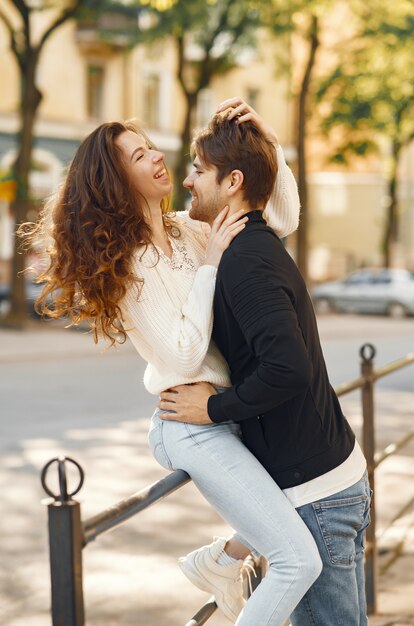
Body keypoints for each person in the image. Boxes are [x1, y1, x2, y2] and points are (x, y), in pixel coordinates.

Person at [24, 101, 322, 626]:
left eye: (150, 146)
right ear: (118, 181)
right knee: (296, 559)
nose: (159, 157)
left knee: (292, 514)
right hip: (190, 423)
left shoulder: (188, 228)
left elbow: (281, 217)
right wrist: (209, 268)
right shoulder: (131, 263)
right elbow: (183, 354)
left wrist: (268, 139)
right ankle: (221, 563)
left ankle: (221, 561)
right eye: (140, 155)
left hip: (228, 410)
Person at [159, 98, 372, 626]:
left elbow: (288, 368)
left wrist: (214, 408)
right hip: (327, 481)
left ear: (232, 182)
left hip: (316, 495)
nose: (188, 182)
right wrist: (270, 145)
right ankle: (222, 560)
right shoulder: (253, 241)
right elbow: (281, 208)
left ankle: (221, 560)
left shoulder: (246, 260)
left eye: (198, 171)